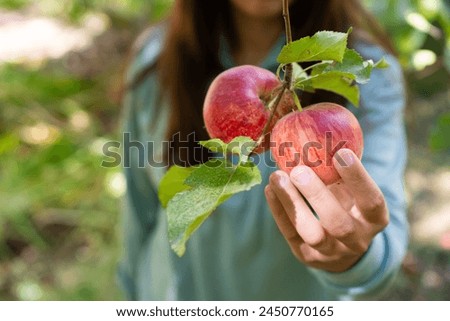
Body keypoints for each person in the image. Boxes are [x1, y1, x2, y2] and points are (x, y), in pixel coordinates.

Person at [118, 0, 409, 300]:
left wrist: (351, 259)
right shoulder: (157, 60)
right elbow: (139, 210)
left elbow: (383, 251)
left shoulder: (364, 71)